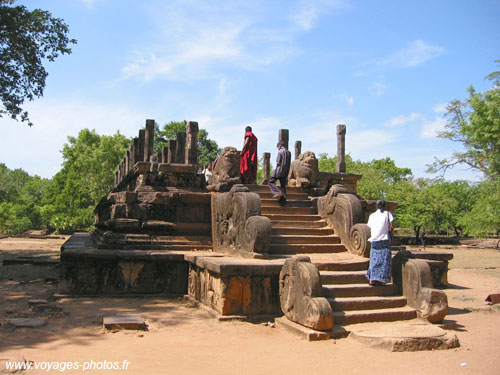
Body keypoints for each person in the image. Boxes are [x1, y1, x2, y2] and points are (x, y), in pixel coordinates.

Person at [366, 199, 394, 286]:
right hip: (384, 239)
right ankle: (382, 280)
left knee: (374, 260)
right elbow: (392, 226)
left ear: (376, 206)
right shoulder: (388, 214)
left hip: (374, 240)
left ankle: (372, 279)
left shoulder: (372, 216)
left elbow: (370, 226)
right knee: (384, 260)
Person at [268, 141, 291, 206]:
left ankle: (277, 192)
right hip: (285, 171)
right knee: (283, 186)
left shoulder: (280, 152)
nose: (278, 148)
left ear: (280, 146)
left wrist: (275, 171)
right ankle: (283, 202)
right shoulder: (289, 152)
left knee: (270, 182)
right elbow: (289, 163)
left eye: (278, 147)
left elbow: (278, 162)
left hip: (279, 171)